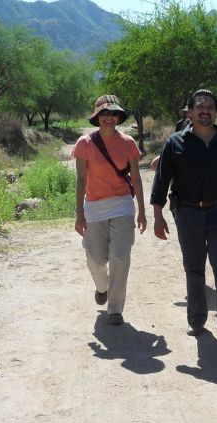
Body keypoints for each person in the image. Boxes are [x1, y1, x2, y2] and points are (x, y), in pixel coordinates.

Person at [150, 89, 217, 346]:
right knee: (194, 269)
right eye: (199, 107)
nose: (205, 111)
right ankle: (196, 321)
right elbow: (161, 179)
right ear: (191, 113)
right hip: (187, 213)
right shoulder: (175, 143)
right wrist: (158, 215)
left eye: (209, 107)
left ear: (216, 112)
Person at [73, 94, 147, 325]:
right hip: (94, 206)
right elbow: (81, 180)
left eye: (113, 114)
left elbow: (136, 178)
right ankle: (102, 287)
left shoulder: (128, 144)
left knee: (121, 257)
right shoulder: (84, 144)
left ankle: (115, 308)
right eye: (104, 113)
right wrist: (79, 213)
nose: (109, 118)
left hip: (122, 205)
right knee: (94, 258)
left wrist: (142, 211)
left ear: (118, 117)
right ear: (97, 117)